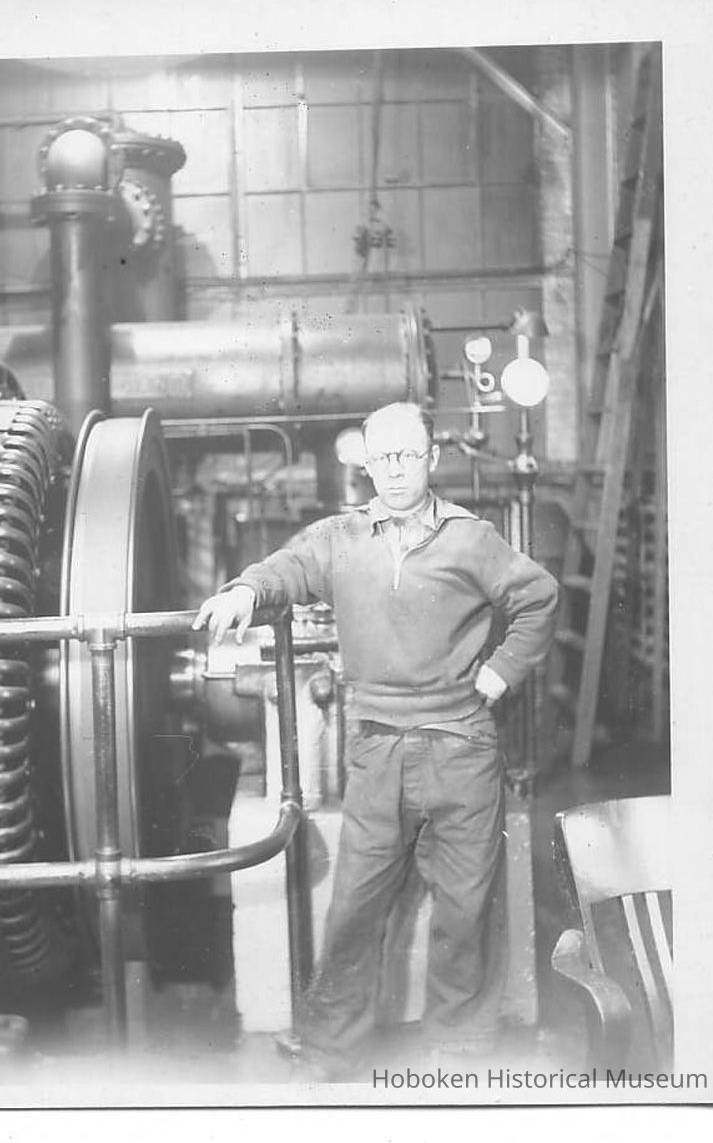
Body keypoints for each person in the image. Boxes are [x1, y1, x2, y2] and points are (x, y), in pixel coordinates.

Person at [193, 401, 559, 1079]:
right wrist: (244, 591)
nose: (394, 469)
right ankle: (330, 1049)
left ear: (432, 459)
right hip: (376, 747)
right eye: (381, 456)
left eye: (407, 455)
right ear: (364, 464)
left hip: (460, 744)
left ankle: (460, 1052)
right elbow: (285, 569)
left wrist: (501, 671)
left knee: (466, 908)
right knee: (354, 909)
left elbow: (538, 597)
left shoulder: (471, 539)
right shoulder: (339, 537)